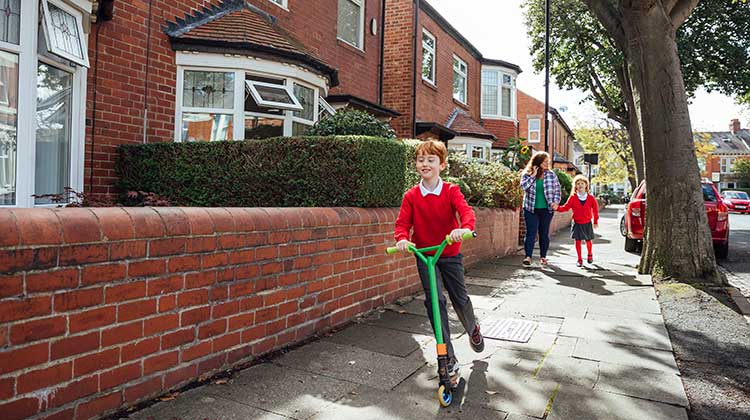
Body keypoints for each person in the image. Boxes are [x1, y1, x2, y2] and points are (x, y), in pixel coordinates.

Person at [394, 140, 484, 382]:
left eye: (431, 160)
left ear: (442, 165)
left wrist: (464, 229)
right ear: (416, 164)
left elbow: (466, 212)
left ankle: (472, 327)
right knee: (435, 303)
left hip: (450, 252)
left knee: (459, 298)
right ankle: (449, 358)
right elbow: (403, 224)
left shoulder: (451, 191)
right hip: (426, 255)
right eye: (421, 159)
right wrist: (403, 239)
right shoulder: (411, 196)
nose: (425, 164)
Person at [520, 151, 561, 266]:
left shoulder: (551, 175)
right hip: (530, 209)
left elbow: (557, 190)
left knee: (544, 233)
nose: (547, 164)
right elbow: (524, 187)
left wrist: (556, 202)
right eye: (544, 162)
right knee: (531, 233)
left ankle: (543, 257)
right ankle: (528, 256)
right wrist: (533, 176)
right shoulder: (527, 174)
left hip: (546, 210)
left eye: (548, 162)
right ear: (537, 163)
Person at [556, 175, 599, 267]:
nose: (580, 185)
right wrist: (557, 208)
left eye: (582, 183)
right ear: (575, 186)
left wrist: (595, 221)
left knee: (588, 240)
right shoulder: (573, 198)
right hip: (577, 223)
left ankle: (590, 254)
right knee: (578, 241)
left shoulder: (591, 198)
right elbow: (566, 207)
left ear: (586, 185)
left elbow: (595, 210)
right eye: (578, 184)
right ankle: (579, 259)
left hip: (587, 222)